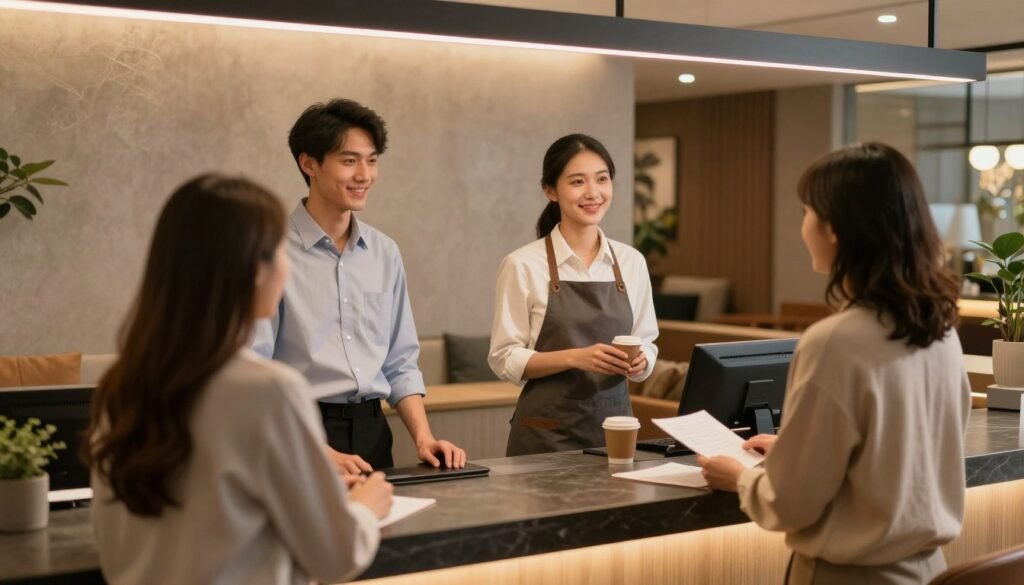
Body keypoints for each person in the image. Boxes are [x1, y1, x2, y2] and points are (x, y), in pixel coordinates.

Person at [86, 175, 393, 585]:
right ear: (254, 269)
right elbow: (336, 555)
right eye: (281, 252)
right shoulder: (267, 390)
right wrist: (364, 508)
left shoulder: (121, 386)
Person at [698, 142, 971, 585]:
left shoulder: (835, 342)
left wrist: (740, 479)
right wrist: (792, 453)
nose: (802, 226)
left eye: (807, 211)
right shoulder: (939, 329)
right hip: (926, 571)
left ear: (836, 229)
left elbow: (790, 504)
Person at [253, 99, 465, 475]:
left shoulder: (384, 252)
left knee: (378, 533)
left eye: (372, 160)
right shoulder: (270, 251)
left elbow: (400, 361)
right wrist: (313, 449)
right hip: (298, 429)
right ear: (309, 164)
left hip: (373, 429)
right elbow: (254, 371)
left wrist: (423, 437)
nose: (364, 175)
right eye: (349, 161)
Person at [488, 133, 659, 456]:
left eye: (602, 179)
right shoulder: (522, 264)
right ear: (551, 191)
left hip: (615, 431)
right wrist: (575, 357)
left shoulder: (631, 262)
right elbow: (504, 357)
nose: (593, 193)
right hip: (545, 435)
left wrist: (641, 360)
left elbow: (647, 340)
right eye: (577, 182)